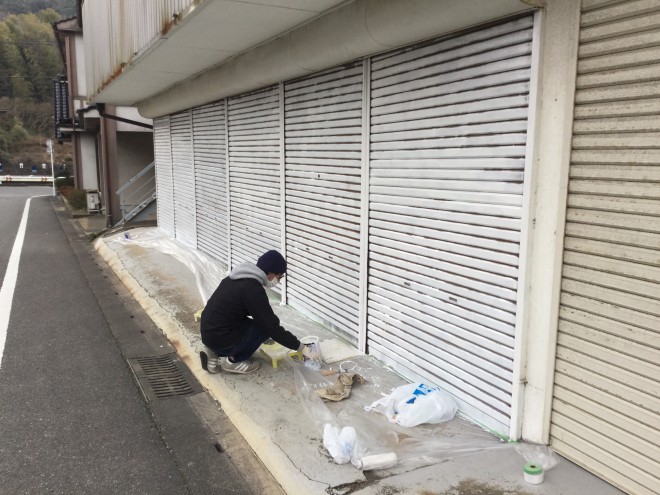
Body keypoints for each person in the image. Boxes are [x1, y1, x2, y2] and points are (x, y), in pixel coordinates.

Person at [199, 250, 309, 374]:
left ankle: (213, 353)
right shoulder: (252, 288)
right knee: (264, 328)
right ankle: (233, 361)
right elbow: (271, 327)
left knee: (260, 323)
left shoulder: (236, 278)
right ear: (271, 273)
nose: (278, 281)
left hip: (209, 333)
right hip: (220, 337)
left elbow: (243, 309)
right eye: (280, 277)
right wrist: (301, 347)